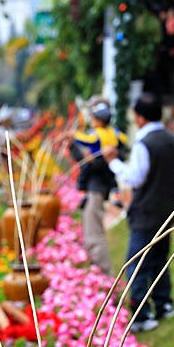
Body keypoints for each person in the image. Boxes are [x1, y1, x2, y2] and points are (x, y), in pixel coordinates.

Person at [103, 92, 174, 333]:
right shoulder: (173, 140)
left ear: (139, 117)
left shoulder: (144, 144)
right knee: (159, 260)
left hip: (146, 212)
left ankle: (141, 314)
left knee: (137, 263)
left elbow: (134, 178)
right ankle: (164, 304)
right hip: (167, 209)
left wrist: (113, 162)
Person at [68, 102, 128, 276]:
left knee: (94, 235)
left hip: (96, 189)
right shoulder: (114, 135)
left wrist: (74, 141)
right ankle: (97, 273)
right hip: (100, 185)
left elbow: (91, 161)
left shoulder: (97, 139)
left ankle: (104, 275)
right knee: (91, 230)